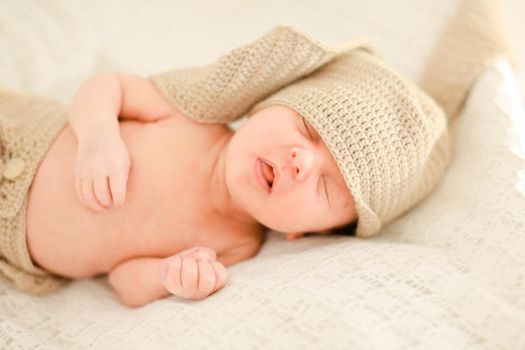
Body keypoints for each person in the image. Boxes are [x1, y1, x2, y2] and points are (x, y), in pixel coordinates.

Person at [0, 26, 451, 307]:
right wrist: (99, 138)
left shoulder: (231, 246)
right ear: (264, 106)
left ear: (309, 233)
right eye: (307, 129)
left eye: (328, 188)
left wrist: (166, 277)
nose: (301, 161)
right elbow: (107, 87)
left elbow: (123, 280)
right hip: (18, 132)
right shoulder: (190, 120)